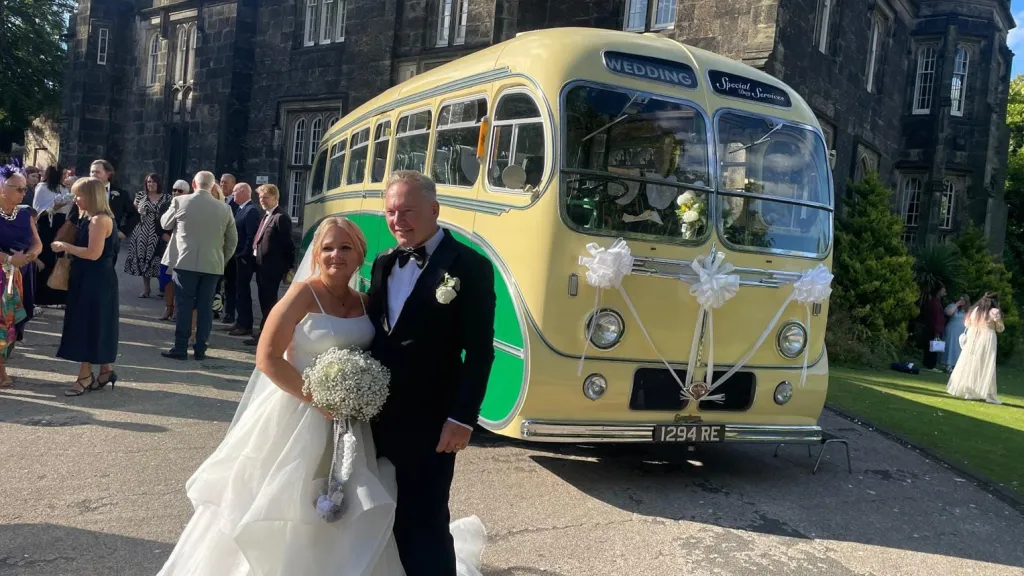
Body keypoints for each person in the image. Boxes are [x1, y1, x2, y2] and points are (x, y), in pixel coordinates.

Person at [155, 216, 486, 576]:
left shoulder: (366, 300)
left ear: (360, 254)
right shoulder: (302, 294)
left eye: (345, 248)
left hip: (354, 424)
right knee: (291, 509)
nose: (335, 256)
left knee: (349, 514)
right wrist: (319, 399)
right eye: (327, 248)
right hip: (298, 416)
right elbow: (267, 357)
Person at [368, 171, 496, 574]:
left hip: (432, 421)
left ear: (434, 210)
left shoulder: (471, 266)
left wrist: (461, 419)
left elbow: (479, 351)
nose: (397, 219)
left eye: (407, 210)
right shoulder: (383, 262)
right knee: (377, 515)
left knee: (425, 521)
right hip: (374, 417)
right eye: (390, 211)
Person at [159, 171, 237, 361]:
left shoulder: (180, 201)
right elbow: (232, 240)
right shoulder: (224, 208)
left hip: (185, 262)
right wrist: (221, 259)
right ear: (213, 186)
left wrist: (173, 205)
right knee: (205, 307)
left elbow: (165, 224)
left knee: (184, 306)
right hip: (212, 264)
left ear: (193, 183)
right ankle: (201, 348)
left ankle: (180, 347)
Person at [53, 177, 120, 396]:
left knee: (87, 325)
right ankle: (105, 370)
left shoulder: (98, 220)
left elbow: (93, 253)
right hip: (94, 278)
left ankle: (84, 376)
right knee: (96, 324)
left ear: (91, 196)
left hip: (95, 279)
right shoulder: (92, 217)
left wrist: (65, 246)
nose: (75, 199)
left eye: (78, 195)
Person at [0, 163, 42, 388]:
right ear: (2, 188)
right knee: (0, 324)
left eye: (25, 189)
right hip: (1, 277)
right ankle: (1, 371)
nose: (24, 193)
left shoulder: (25, 213)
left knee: (14, 325)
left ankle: (2, 367)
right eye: (19, 189)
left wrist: (31, 254)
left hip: (20, 276)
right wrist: (8, 259)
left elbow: (37, 242)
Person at [245, 183, 295, 346]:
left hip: (272, 268)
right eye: (260, 198)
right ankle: (263, 332)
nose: (262, 201)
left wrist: (287, 268)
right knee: (263, 300)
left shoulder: (281, 217)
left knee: (269, 302)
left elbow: (287, 245)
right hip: (261, 266)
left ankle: (267, 335)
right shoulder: (266, 215)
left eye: (266, 198)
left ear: (276, 198)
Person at [947, 293, 1005, 405]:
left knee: (970, 363)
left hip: (973, 337)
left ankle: (969, 391)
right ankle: (988, 394)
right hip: (987, 339)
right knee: (986, 364)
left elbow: (966, 323)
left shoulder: (975, 310)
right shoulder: (994, 312)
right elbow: (1000, 328)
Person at [124, 173, 172, 298]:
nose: (151, 184)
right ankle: (146, 288)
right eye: (149, 182)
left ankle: (162, 287)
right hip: (142, 231)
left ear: (159, 183)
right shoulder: (140, 196)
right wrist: (137, 210)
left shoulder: (167, 197)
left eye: (154, 182)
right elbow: (133, 213)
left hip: (159, 231)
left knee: (159, 259)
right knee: (144, 258)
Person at [32, 166, 74, 307]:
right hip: (46, 226)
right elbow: (37, 211)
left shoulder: (64, 188)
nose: (65, 176)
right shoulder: (42, 187)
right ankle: (42, 298)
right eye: (62, 173)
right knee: (46, 259)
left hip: (62, 225)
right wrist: (53, 208)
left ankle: (59, 298)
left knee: (61, 261)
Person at [227, 182, 263, 337]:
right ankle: (240, 321)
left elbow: (250, 236)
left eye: (235, 191)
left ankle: (246, 324)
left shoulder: (251, 210)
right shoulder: (241, 209)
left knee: (243, 290)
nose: (233, 194)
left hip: (244, 259)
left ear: (243, 191)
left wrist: (243, 255)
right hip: (237, 257)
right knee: (237, 290)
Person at [159, 180, 192, 321]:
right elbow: (162, 225)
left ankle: (178, 309)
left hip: (185, 247)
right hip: (171, 245)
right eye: (174, 190)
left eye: (180, 191)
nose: (176, 193)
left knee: (180, 281)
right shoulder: (168, 205)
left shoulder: (190, 205)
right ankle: (168, 307)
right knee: (167, 279)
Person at [89, 159, 140, 248]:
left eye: (97, 172)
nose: (93, 175)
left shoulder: (121, 194)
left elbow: (134, 215)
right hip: (86, 237)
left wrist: (123, 232)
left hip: (110, 242)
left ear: (108, 174)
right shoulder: (84, 191)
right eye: (92, 172)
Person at [919, 285, 946, 372]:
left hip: (930, 328)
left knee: (930, 347)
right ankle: (930, 365)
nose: (944, 292)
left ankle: (928, 364)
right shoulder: (935, 303)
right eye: (943, 290)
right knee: (932, 347)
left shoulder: (933, 302)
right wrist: (937, 330)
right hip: (933, 329)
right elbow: (936, 318)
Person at [941, 294, 970, 371]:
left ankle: (958, 366)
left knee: (960, 348)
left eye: (963, 300)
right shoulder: (954, 306)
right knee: (950, 346)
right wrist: (957, 304)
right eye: (961, 299)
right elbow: (948, 313)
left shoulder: (969, 310)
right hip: (952, 330)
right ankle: (948, 364)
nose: (962, 301)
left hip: (963, 332)